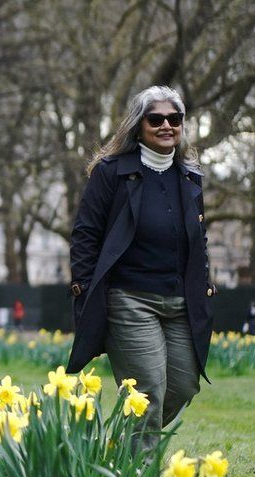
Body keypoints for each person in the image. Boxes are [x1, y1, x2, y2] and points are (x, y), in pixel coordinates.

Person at [66, 86, 216, 453]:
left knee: (182, 386)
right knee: (147, 391)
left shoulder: (189, 174)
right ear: (139, 124)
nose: (166, 125)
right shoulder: (111, 172)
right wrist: (85, 286)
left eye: (174, 119)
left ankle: (114, 451)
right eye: (156, 119)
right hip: (130, 299)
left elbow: (199, 236)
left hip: (180, 301)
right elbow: (86, 233)